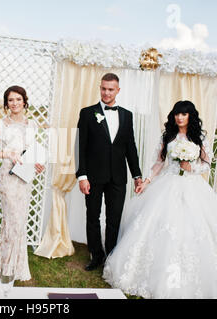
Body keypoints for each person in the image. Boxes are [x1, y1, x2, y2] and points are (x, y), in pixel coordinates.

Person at [103, 100, 217, 299]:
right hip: (168, 183)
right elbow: (158, 163)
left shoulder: (200, 137)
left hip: (192, 186)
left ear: (190, 116)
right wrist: (146, 181)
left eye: (184, 114)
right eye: (177, 114)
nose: (179, 117)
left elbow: (206, 164)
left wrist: (192, 168)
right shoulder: (168, 136)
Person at [76, 73, 142, 272]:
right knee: (93, 217)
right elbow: (80, 146)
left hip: (118, 177)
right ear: (100, 88)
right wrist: (82, 176)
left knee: (114, 218)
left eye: (111, 89)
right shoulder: (87, 113)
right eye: (103, 88)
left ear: (118, 90)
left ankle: (112, 257)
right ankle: (96, 256)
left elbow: (130, 147)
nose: (106, 92)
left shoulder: (127, 115)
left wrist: (137, 175)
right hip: (93, 177)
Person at [0, 86, 45, 282]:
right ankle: (5, 267)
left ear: (25, 101)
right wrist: (8, 155)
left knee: (19, 220)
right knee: (12, 221)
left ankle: (14, 264)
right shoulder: (0, 124)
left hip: (24, 176)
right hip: (8, 176)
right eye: (11, 100)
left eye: (18, 99)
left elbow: (31, 150)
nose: (15, 103)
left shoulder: (32, 124)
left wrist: (38, 164)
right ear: (6, 103)